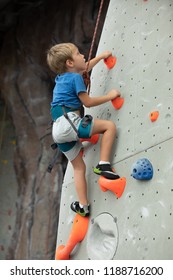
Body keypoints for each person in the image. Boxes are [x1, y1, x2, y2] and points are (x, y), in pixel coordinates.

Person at [47, 42, 121, 217]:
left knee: (78, 168)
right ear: (70, 63)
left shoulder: (63, 78)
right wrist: (110, 96)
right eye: (78, 53)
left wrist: (101, 57)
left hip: (58, 129)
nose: (83, 55)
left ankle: (83, 206)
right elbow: (87, 102)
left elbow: (85, 67)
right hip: (69, 122)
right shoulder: (75, 78)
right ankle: (104, 164)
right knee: (109, 127)